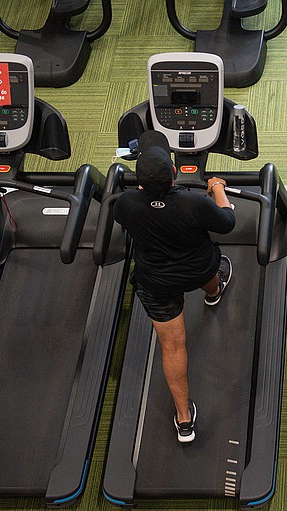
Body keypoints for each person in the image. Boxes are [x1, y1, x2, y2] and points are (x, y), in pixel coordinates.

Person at [114, 130, 235, 442]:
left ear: (138, 183)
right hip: (198, 269)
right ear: (174, 174)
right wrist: (217, 188)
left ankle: (184, 419)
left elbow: (142, 212)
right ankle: (214, 292)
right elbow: (227, 221)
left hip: (156, 283)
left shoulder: (125, 204)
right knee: (209, 272)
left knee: (172, 346)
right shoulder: (194, 203)